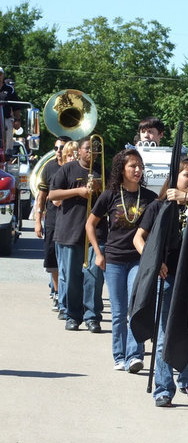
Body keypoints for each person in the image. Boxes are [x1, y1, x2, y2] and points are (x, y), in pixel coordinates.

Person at [134, 157, 188, 405]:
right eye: (187, 174)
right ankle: (163, 388)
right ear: (175, 177)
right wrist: (154, 262)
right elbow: (139, 239)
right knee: (164, 334)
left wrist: (187, 199)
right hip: (168, 276)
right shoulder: (158, 206)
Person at [86, 148, 158, 372]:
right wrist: (98, 253)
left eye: (140, 166)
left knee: (134, 307)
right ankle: (119, 355)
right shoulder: (110, 195)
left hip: (139, 260)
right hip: (114, 260)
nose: (138, 170)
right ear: (122, 169)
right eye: (132, 166)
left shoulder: (150, 198)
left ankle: (135, 355)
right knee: (118, 312)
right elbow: (90, 224)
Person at [49, 137, 105, 332]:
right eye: (88, 149)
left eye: (95, 149)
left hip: (97, 233)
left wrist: (101, 189)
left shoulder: (102, 171)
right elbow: (53, 195)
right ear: (79, 151)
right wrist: (78, 191)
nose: (92, 152)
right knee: (72, 278)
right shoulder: (68, 169)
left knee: (94, 278)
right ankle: (73, 316)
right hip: (70, 231)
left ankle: (93, 316)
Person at [34, 136, 71, 313]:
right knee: (52, 259)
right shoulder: (49, 167)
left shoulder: (75, 167)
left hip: (72, 220)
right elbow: (41, 196)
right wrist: (37, 221)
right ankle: (57, 292)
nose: (58, 151)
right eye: (56, 147)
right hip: (53, 219)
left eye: (61, 147)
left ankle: (68, 294)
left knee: (69, 262)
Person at [0, 67, 22, 152]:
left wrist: (17, 120)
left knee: (9, 127)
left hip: (5, 117)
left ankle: (7, 152)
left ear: (3, 75)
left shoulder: (9, 89)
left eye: (0, 74)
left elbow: (16, 106)